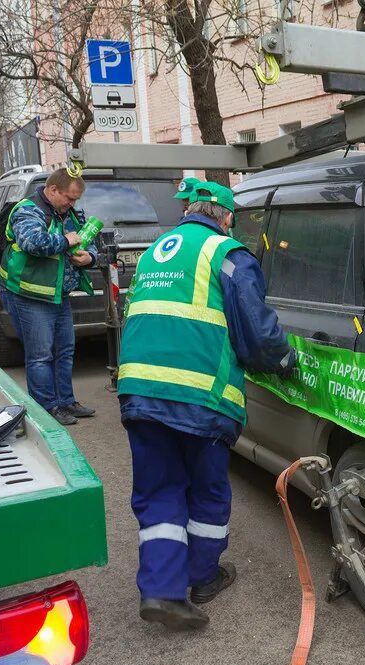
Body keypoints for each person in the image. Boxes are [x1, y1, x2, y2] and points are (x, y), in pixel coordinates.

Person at [118, 181, 297, 631]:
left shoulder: (158, 249)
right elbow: (256, 333)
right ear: (225, 216)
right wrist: (285, 360)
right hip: (200, 398)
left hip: (140, 391)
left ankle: (161, 591)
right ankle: (202, 577)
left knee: (158, 490)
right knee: (207, 491)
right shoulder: (227, 254)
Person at [0, 168, 98, 426]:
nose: (72, 204)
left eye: (75, 199)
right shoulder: (28, 210)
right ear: (52, 190)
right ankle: (47, 407)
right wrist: (66, 241)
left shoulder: (67, 212)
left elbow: (87, 240)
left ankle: (66, 401)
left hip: (57, 294)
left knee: (64, 351)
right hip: (29, 294)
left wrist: (89, 257)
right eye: (69, 197)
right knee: (40, 355)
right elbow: (33, 242)